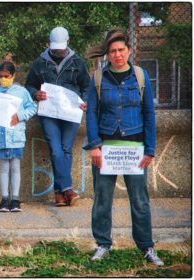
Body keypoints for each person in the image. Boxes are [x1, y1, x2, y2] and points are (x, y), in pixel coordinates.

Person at [84, 28, 164, 266]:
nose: (117, 55)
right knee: (102, 199)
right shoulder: (98, 78)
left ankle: (147, 247)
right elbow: (91, 113)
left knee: (139, 200)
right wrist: (95, 145)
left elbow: (149, 113)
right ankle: (102, 245)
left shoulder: (140, 76)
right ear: (107, 55)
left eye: (121, 50)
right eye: (112, 51)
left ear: (129, 51)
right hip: (106, 149)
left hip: (135, 149)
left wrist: (149, 148)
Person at [25, 26, 90, 206]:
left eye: (61, 47)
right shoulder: (39, 62)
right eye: (55, 47)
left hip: (71, 112)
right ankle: (67, 189)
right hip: (49, 113)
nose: (58, 51)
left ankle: (59, 193)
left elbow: (87, 86)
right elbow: (29, 85)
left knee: (65, 149)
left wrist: (85, 101)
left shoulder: (77, 62)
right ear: (49, 44)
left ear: (68, 42)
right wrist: (35, 94)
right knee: (55, 149)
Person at [0, 61, 37, 212]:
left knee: (15, 166)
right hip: (1, 136)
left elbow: (33, 108)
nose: (4, 79)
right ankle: (4, 198)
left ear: (13, 75)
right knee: (4, 167)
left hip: (15, 135)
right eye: (1, 76)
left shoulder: (22, 92)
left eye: (7, 76)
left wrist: (20, 115)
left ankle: (15, 199)